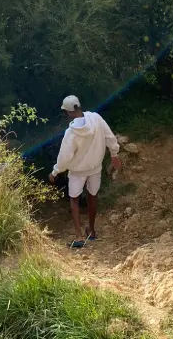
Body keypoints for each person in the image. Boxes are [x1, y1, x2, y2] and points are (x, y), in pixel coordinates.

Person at [48, 95, 122, 248]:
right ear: (79, 106)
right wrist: (114, 154)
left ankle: (79, 236)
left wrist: (55, 172)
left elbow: (65, 157)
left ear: (68, 112)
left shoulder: (71, 133)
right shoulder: (96, 118)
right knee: (93, 195)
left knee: (74, 199)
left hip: (77, 171)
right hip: (95, 167)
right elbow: (110, 136)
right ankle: (92, 231)